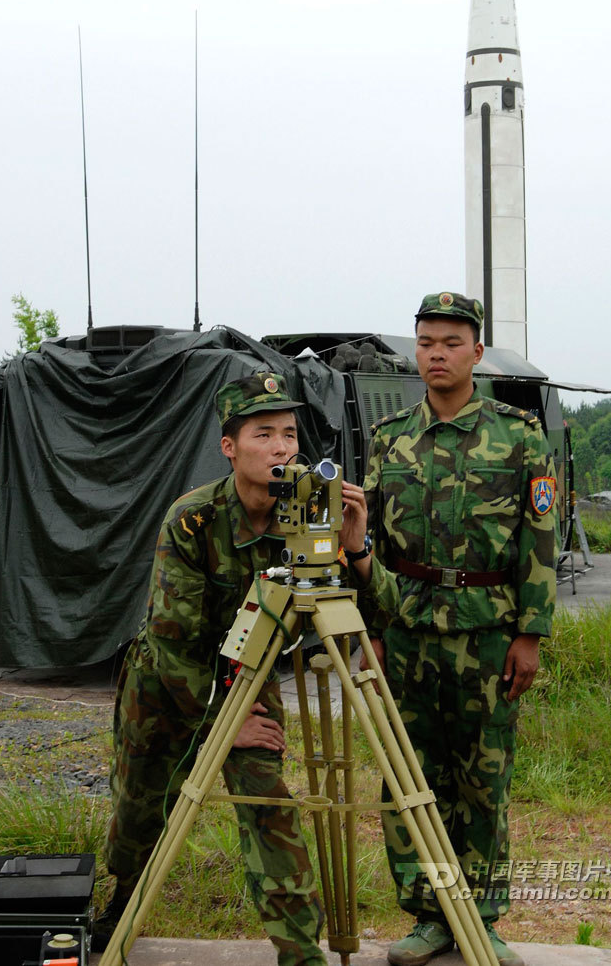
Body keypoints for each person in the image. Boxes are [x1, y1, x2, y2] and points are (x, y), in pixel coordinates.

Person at [94, 370, 362, 965]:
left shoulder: (310, 517)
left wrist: (355, 548)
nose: (281, 448)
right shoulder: (192, 519)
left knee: (269, 807)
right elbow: (170, 641)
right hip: (166, 684)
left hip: (247, 679)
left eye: (290, 434)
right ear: (229, 448)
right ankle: (117, 915)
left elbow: (356, 616)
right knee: (141, 810)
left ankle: (301, 954)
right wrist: (223, 723)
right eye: (263, 434)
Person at [341, 292, 557, 966]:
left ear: (476, 352)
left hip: (488, 634)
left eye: (450, 342)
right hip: (404, 632)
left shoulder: (519, 435)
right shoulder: (388, 438)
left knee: (482, 781)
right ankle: (430, 915)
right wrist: (369, 628)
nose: (436, 353)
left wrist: (531, 635)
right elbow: (364, 539)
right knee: (409, 778)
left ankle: (481, 916)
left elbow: (539, 541)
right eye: (426, 342)